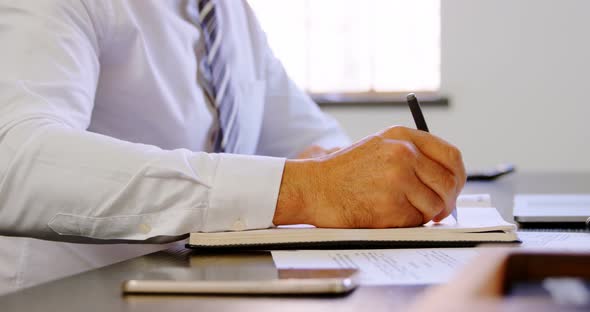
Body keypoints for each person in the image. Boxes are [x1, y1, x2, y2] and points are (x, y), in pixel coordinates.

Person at [0, 0, 466, 293]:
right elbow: (13, 158)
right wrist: (303, 189)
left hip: (200, 292)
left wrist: (355, 176)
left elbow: (312, 141)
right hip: (67, 297)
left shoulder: (226, 13)